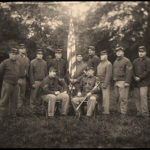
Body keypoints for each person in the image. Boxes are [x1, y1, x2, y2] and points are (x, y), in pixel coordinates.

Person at [113, 46, 132, 116]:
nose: (118, 53)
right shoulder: (115, 61)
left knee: (123, 98)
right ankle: (118, 110)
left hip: (123, 81)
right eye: (117, 52)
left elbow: (129, 72)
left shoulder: (126, 60)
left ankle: (123, 112)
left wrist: (127, 82)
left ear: (123, 52)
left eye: (120, 51)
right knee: (117, 97)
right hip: (116, 81)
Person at [0, 48, 19, 120]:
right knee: (4, 100)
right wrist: (3, 83)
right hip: (7, 84)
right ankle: (1, 116)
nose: (14, 56)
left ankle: (13, 116)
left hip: (15, 85)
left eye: (15, 54)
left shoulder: (18, 63)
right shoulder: (4, 62)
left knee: (14, 101)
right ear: (9, 54)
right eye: (13, 54)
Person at [132, 46, 150, 118]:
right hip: (136, 82)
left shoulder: (148, 60)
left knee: (143, 97)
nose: (141, 53)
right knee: (137, 97)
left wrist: (140, 77)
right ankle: (139, 112)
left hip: (144, 82)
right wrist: (134, 77)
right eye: (140, 52)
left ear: (145, 52)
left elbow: (148, 71)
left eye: (142, 52)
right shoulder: (135, 61)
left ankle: (145, 113)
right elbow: (132, 70)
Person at [97, 50, 112, 115]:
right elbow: (97, 74)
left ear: (106, 56)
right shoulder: (100, 64)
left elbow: (108, 75)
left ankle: (106, 112)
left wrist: (105, 84)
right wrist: (97, 82)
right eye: (101, 55)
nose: (102, 56)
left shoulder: (108, 64)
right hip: (99, 83)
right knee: (99, 97)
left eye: (103, 55)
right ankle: (99, 110)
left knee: (105, 98)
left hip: (104, 83)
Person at [17, 44, 30, 113]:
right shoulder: (16, 57)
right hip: (17, 78)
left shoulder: (27, 59)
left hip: (24, 79)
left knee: (22, 95)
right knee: (17, 94)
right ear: (19, 50)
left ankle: (19, 110)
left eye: (24, 48)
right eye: (21, 48)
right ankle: (14, 110)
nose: (23, 50)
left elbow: (28, 69)